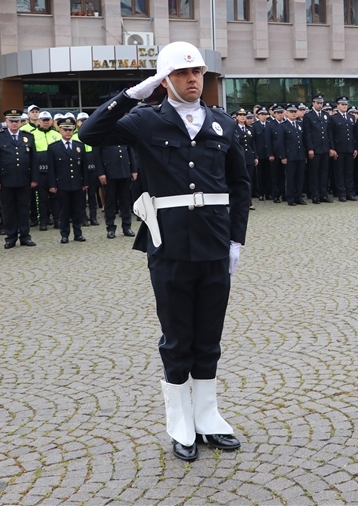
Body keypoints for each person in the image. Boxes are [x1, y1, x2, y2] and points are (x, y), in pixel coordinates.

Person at [80, 41, 250, 462]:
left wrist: (236, 240)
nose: (193, 80)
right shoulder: (144, 121)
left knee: (209, 337)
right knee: (177, 338)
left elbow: (240, 185)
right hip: (169, 244)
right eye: (182, 74)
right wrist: (135, 93)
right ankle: (180, 421)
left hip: (213, 242)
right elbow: (90, 134)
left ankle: (208, 417)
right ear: (165, 80)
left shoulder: (222, 124)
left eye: (199, 73)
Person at [0, 109, 38, 248]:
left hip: (24, 178)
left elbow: (33, 160)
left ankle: (25, 236)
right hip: (6, 180)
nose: (14, 124)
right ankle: (10, 237)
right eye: (11, 121)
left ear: (21, 122)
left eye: (17, 121)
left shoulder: (28, 136)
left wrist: (34, 178)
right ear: (6, 122)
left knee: (24, 208)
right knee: (8, 209)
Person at [47, 116, 87, 243]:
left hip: (77, 184)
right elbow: (51, 169)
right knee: (64, 211)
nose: (68, 132)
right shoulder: (53, 147)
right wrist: (52, 184)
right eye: (65, 129)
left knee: (77, 210)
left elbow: (84, 167)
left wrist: (85, 182)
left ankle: (78, 233)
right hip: (62, 184)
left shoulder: (79, 146)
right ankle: (64, 234)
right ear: (60, 130)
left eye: (70, 129)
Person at [97, 141, 137, 239]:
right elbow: (97, 156)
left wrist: (133, 169)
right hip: (110, 172)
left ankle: (127, 226)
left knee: (125, 201)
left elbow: (130, 152)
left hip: (124, 171)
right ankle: (110, 227)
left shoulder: (122, 135)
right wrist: (101, 173)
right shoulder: (102, 136)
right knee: (110, 201)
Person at [32, 110, 62, 230]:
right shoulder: (32, 135)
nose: (45, 122)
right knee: (42, 198)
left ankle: (57, 220)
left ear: (51, 121)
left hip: (54, 171)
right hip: (40, 172)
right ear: (39, 121)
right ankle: (43, 221)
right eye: (43, 120)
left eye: (47, 120)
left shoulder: (57, 134)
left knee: (55, 197)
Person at [275, 103, 306, 206]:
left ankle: (299, 197)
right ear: (286, 113)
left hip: (300, 155)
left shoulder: (300, 124)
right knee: (290, 177)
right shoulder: (283, 126)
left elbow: (303, 141)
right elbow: (280, 143)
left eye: (294, 112)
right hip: (290, 156)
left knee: (300, 177)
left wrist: (304, 155)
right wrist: (283, 156)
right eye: (291, 112)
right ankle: (290, 197)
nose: (293, 114)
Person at [303, 94, 332, 204]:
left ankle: (323, 194)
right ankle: (315, 195)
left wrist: (331, 147)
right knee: (314, 173)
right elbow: (308, 134)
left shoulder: (325, 115)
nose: (320, 105)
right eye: (318, 103)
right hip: (315, 149)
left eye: (321, 103)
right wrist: (310, 148)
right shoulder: (308, 116)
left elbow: (328, 133)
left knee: (324, 173)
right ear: (313, 103)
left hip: (325, 148)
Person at [74, 112, 101, 227]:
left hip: (92, 165)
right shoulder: (74, 135)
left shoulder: (94, 134)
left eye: (85, 120)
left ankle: (93, 217)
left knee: (92, 194)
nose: (83, 122)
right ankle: (83, 217)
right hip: (79, 167)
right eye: (81, 120)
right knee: (81, 195)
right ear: (77, 123)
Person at [329, 96, 357, 201]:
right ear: (338, 106)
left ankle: (350, 192)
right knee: (339, 172)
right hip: (339, 149)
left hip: (349, 148)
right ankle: (341, 193)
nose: (345, 106)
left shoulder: (351, 117)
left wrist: (355, 147)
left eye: (346, 104)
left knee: (349, 172)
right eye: (342, 104)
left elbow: (353, 134)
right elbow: (330, 134)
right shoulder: (333, 118)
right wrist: (332, 148)